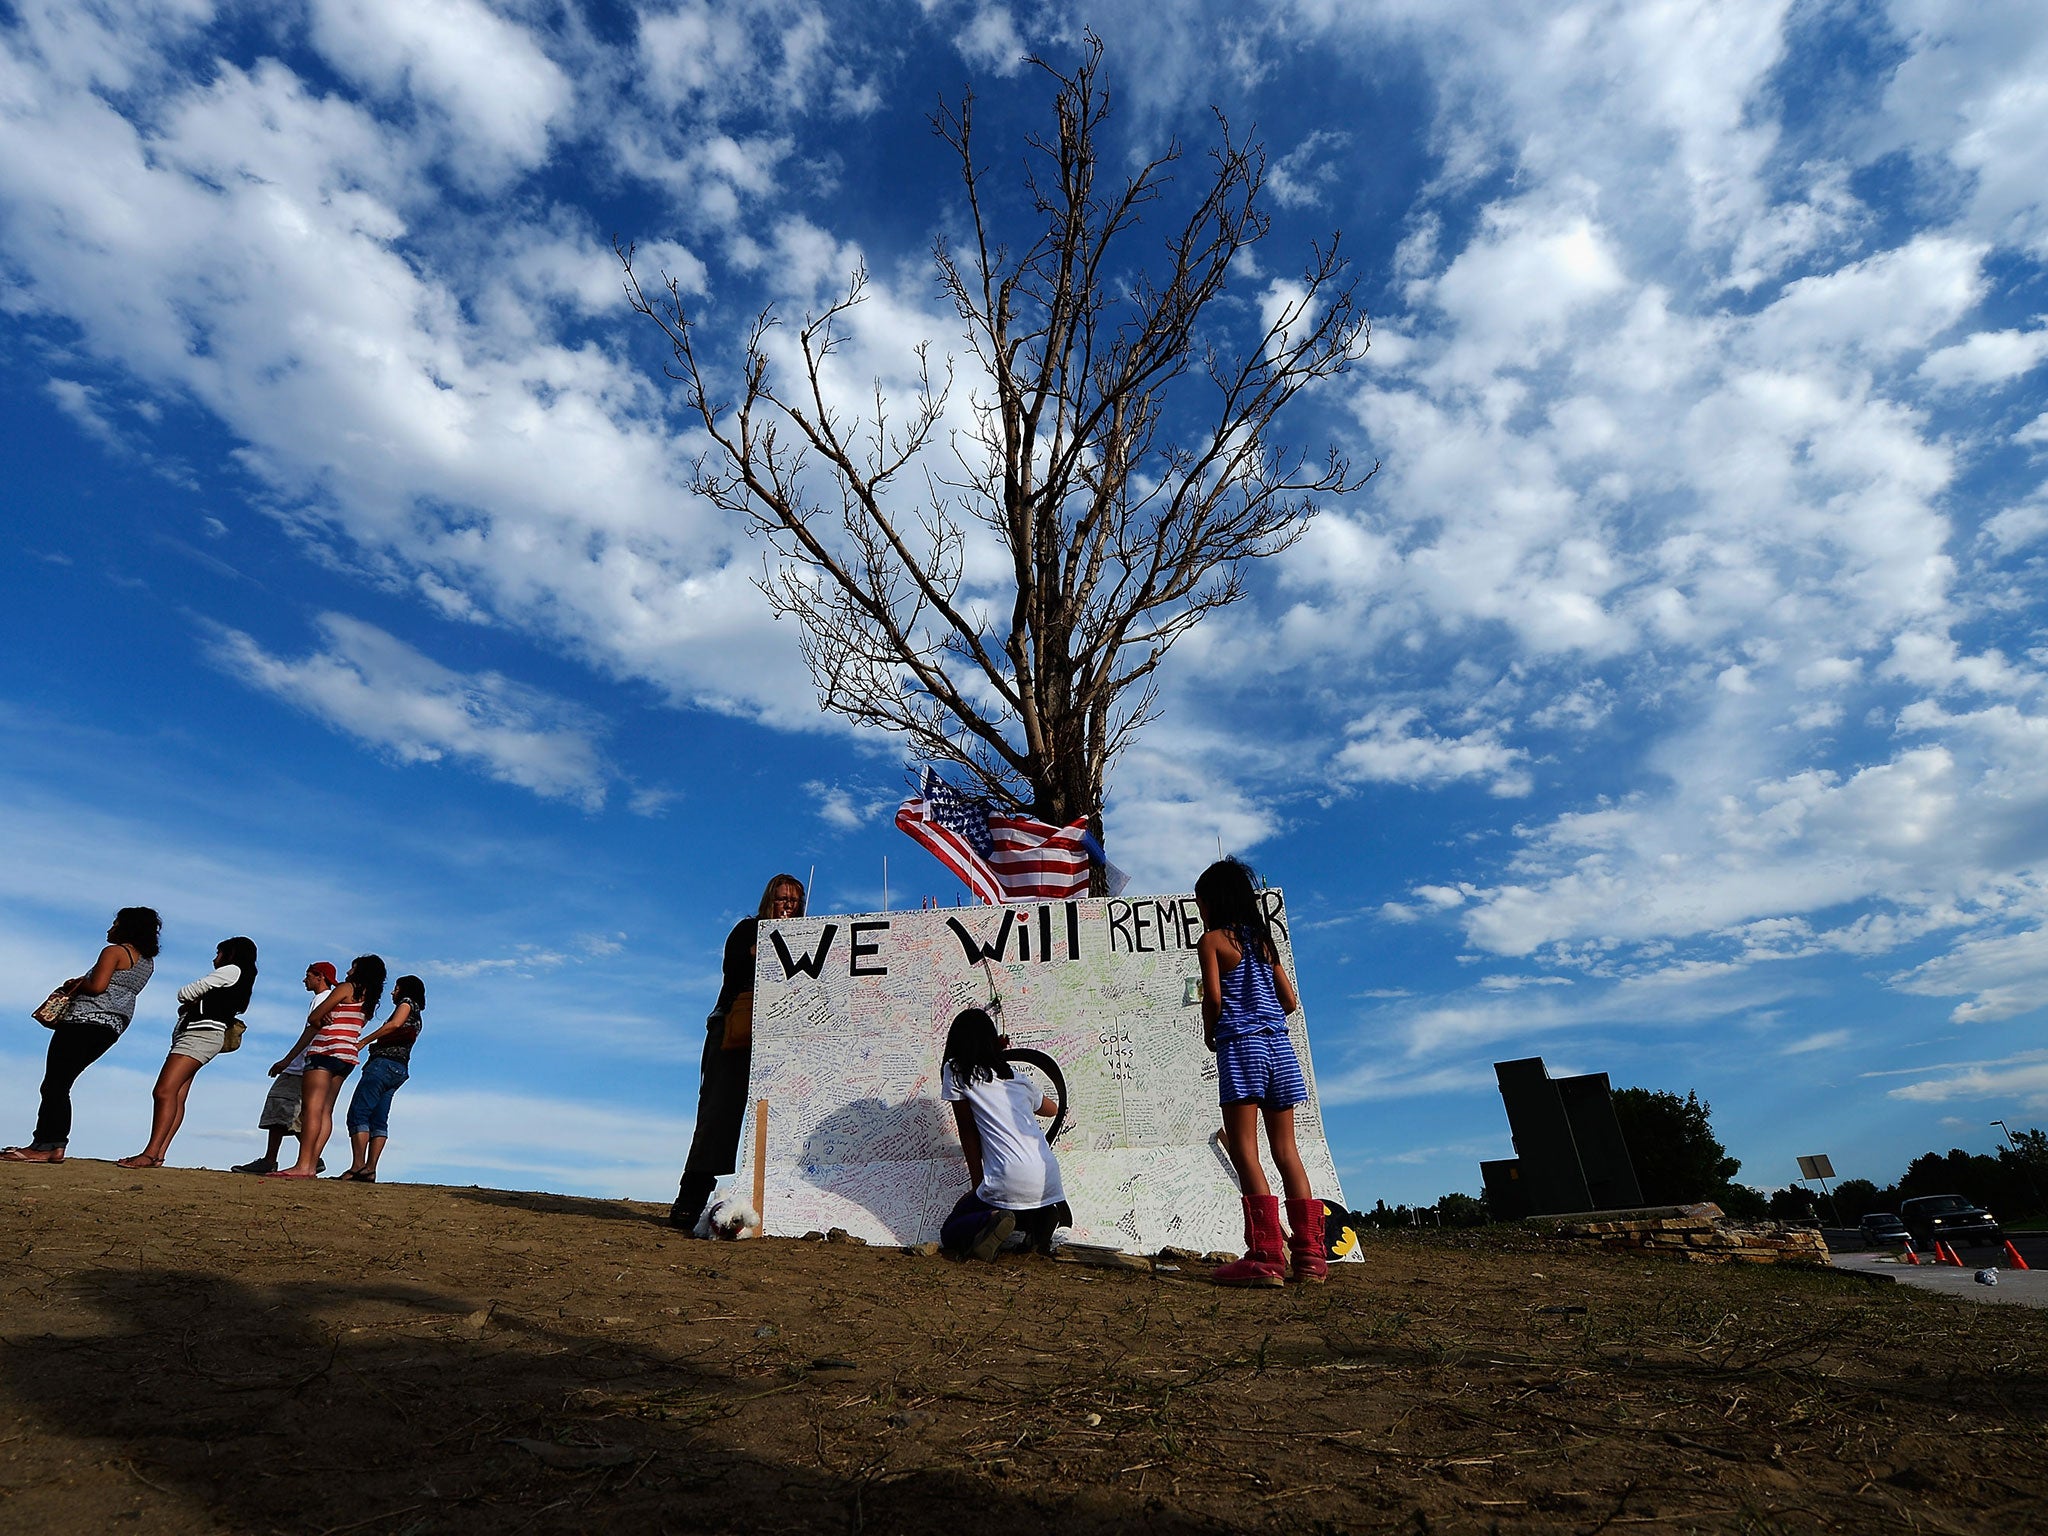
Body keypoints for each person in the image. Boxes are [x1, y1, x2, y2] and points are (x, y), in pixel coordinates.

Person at [1195, 857, 1324, 1287]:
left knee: (1245, 1150)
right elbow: (1289, 1000)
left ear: (1213, 902)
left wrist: (1212, 1031)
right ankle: (1310, 1258)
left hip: (1242, 1048)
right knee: (1287, 1151)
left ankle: (1266, 1256)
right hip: (1280, 1049)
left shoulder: (1212, 941)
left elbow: (1213, 997)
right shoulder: (1263, 943)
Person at [670, 874, 805, 1231]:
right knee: (718, 1112)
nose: (788, 907)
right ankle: (691, 1197)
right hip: (735, 1028)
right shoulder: (748, 930)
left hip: (779, 1036)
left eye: (795, 901)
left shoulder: (810, 939)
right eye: (782, 900)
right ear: (768, 901)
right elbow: (735, 966)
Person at [4, 908, 161, 1164]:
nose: (110, 928)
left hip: (83, 1020)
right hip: (112, 1026)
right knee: (61, 1083)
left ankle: (46, 1144)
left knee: (55, 1084)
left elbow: (98, 986)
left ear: (127, 927)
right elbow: (117, 985)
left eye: (115, 923)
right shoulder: (146, 963)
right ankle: (52, 1146)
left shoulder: (113, 952)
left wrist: (76, 985)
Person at [938, 1007, 1071, 1259]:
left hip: (1008, 1176)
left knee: (950, 1231)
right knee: (1016, 1202)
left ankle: (992, 1219)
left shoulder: (956, 1071)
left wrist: (978, 1184)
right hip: (1047, 1177)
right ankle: (1042, 1216)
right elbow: (1052, 1109)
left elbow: (968, 1133)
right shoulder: (1016, 1078)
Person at [115, 936, 258, 1169]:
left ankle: (150, 1153)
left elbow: (185, 992)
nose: (215, 958)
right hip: (204, 1035)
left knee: (163, 1091)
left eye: (218, 953)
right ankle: (157, 1154)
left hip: (199, 1034)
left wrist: (193, 1000)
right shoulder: (242, 977)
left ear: (229, 954)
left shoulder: (231, 970)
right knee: (177, 1095)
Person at [268, 954, 383, 1179]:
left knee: (312, 1109)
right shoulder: (370, 999)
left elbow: (315, 1017)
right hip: (347, 1055)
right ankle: (311, 1163)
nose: (348, 971)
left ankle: (304, 1165)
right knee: (326, 1111)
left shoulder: (346, 988)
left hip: (325, 1050)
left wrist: (321, 1018)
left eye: (353, 967)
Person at [232, 962, 335, 1176]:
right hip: (311, 1063)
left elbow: (312, 1030)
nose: (304, 980)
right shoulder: (329, 1000)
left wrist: (288, 1060)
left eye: (308, 975)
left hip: (303, 1065)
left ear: (320, 977)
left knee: (280, 1107)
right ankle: (309, 1158)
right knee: (296, 1112)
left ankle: (275, 1159)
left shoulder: (322, 999)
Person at [338, 974, 424, 1182]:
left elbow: (394, 1024)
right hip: (399, 1068)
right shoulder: (418, 1015)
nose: (393, 992)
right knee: (379, 1118)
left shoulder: (406, 1004)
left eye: (396, 988)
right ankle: (370, 1168)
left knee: (359, 1113)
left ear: (405, 990)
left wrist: (364, 1041)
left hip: (382, 1064)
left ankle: (358, 1165)